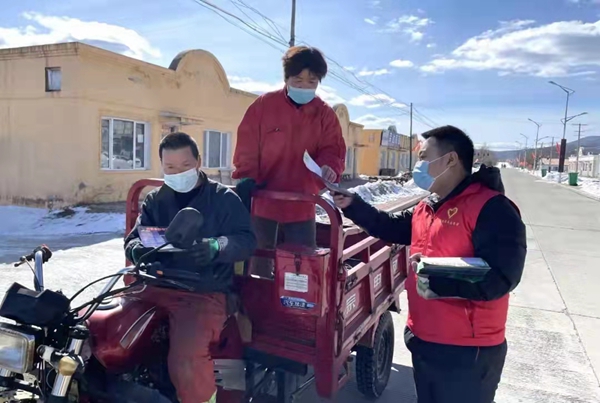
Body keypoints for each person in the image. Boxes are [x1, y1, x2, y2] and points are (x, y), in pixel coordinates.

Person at [332, 126, 526, 403]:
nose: (418, 166)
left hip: (467, 353)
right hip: (425, 340)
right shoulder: (428, 206)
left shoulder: (492, 208)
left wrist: (434, 274)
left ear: (450, 160)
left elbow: (502, 276)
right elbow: (390, 226)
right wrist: (353, 204)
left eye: (424, 157)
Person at [124, 132, 256, 403]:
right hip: (154, 285)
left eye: (185, 166)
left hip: (203, 291)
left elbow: (246, 240)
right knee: (106, 335)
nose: (178, 173)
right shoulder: (156, 200)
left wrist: (216, 246)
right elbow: (135, 238)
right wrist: (137, 250)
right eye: (170, 167)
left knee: (186, 360)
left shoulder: (223, 199)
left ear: (198, 161)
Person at [232, 45, 346, 275]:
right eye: (298, 80)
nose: (304, 87)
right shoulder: (263, 106)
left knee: (300, 264)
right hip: (264, 198)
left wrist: (329, 166)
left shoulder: (325, 114)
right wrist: (247, 176)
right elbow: (247, 145)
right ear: (286, 79)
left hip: (302, 201)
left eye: (312, 82)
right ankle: (260, 295)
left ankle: (296, 298)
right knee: (259, 260)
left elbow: (333, 149)